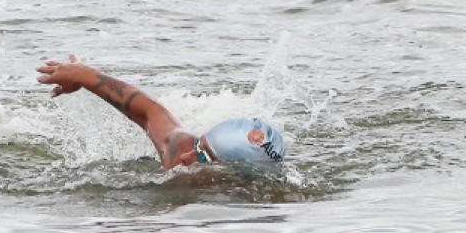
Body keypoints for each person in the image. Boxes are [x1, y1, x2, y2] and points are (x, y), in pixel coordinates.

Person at [36, 57, 287, 174]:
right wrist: (84, 75)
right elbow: (149, 112)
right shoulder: (182, 148)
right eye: (200, 143)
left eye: (203, 156)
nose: (188, 156)